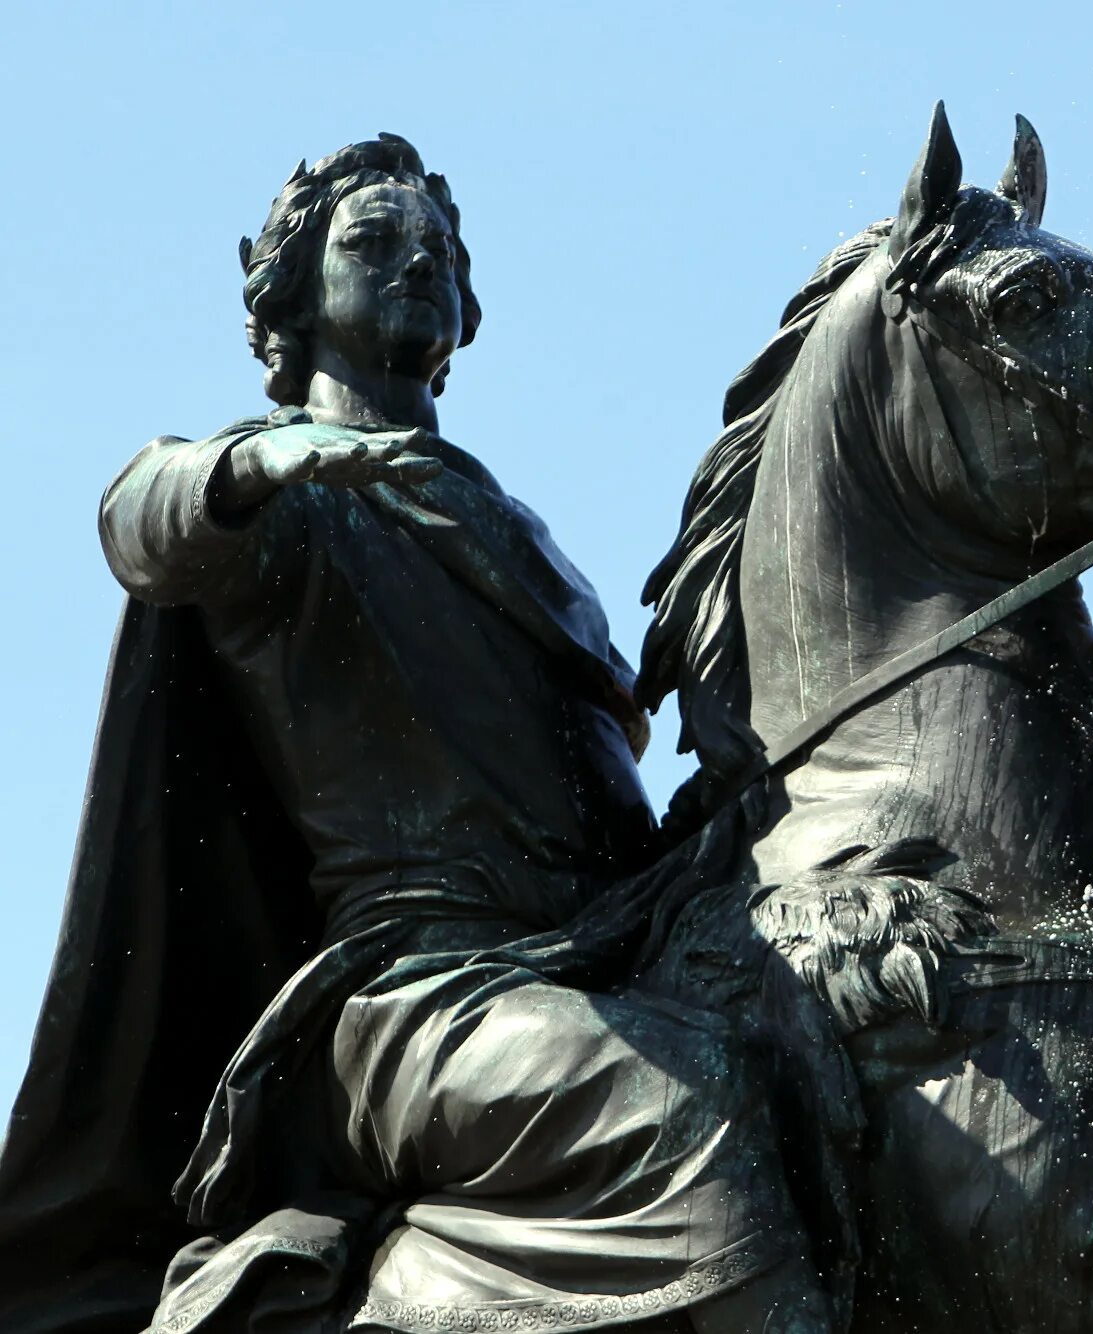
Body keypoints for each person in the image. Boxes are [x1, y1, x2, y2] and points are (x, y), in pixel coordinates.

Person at [0, 135, 829, 1333]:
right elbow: (138, 518)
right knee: (680, 1116)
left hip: (593, 952)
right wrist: (257, 461)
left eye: (436, 248)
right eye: (372, 243)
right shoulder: (286, 504)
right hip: (415, 992)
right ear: (293, 293)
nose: (415, 263)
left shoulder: (525, 537)